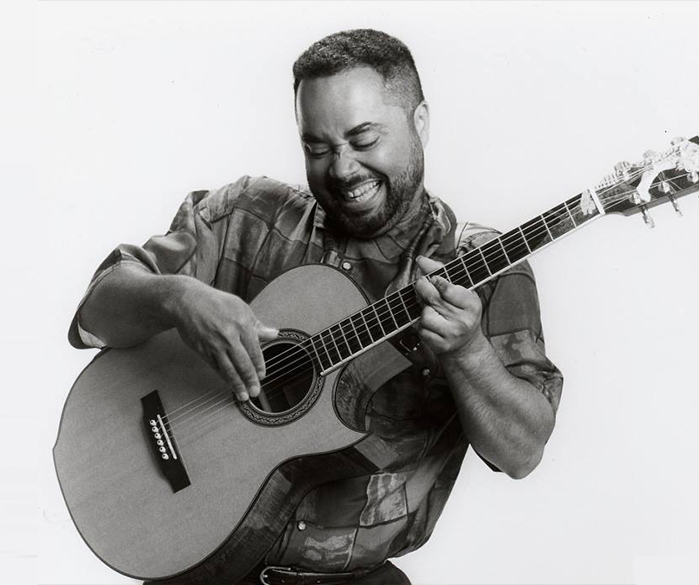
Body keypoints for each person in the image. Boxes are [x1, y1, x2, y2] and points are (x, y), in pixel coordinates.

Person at [69, 29, 563, 585]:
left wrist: (469, 354)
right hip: (194, 564)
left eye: (363, 139)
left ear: (419, 122)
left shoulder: (485, 271)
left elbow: (522, 451)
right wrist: (177, 297)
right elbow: (94, 317)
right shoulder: (246, 215)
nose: (343, 169)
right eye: (318, 147)